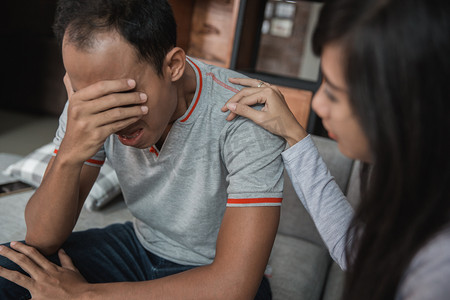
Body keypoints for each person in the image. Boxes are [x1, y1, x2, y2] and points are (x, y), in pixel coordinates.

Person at [0, 0, 285, 299]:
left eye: (123, 95)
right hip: (138, 247)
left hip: (212, 273)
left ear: (173, 65)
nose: (111, 115)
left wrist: (85, 295)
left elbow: (234, 286)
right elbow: (42, 239)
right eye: (91, 96)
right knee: (12, 272)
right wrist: (71, 152)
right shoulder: (88, 108)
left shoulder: (247, 114)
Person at [222, 0, 450, 299]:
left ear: (400, 104)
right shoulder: (415, 187)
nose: (317, 104)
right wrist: (294, 135)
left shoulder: (438, 267)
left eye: (335, 92)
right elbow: (361, 249)